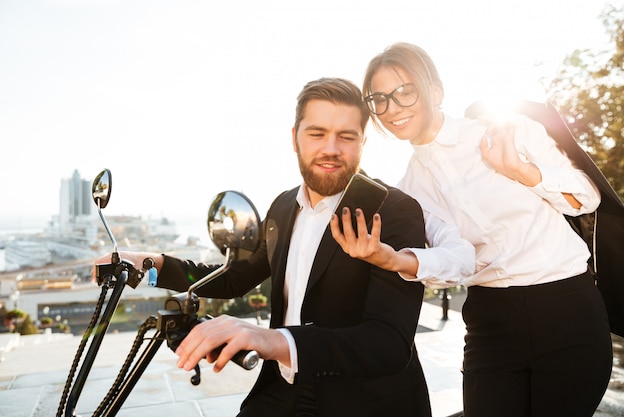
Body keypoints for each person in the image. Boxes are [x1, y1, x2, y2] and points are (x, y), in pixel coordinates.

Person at [94, 77, 440, 417]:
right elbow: (234, 277)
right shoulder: (283, 206)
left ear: (363, 142)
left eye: (346, 137)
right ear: (295, 139)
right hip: (280, 390)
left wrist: (272, 340)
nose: (331, 148)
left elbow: (388, 343)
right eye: (317, 133)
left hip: (363, 400)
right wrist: (151, 263)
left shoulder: (394, 210)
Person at [330, 42, 613, 417]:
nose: (392, 108)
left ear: (436, 92)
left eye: (404, 91)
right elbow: (456, 261)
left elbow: (587, 198)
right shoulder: (409, 190)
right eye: (379, 99)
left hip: (567, 309)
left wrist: (521, 171)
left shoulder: (506, 131)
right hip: (491, 322)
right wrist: (392, 258)